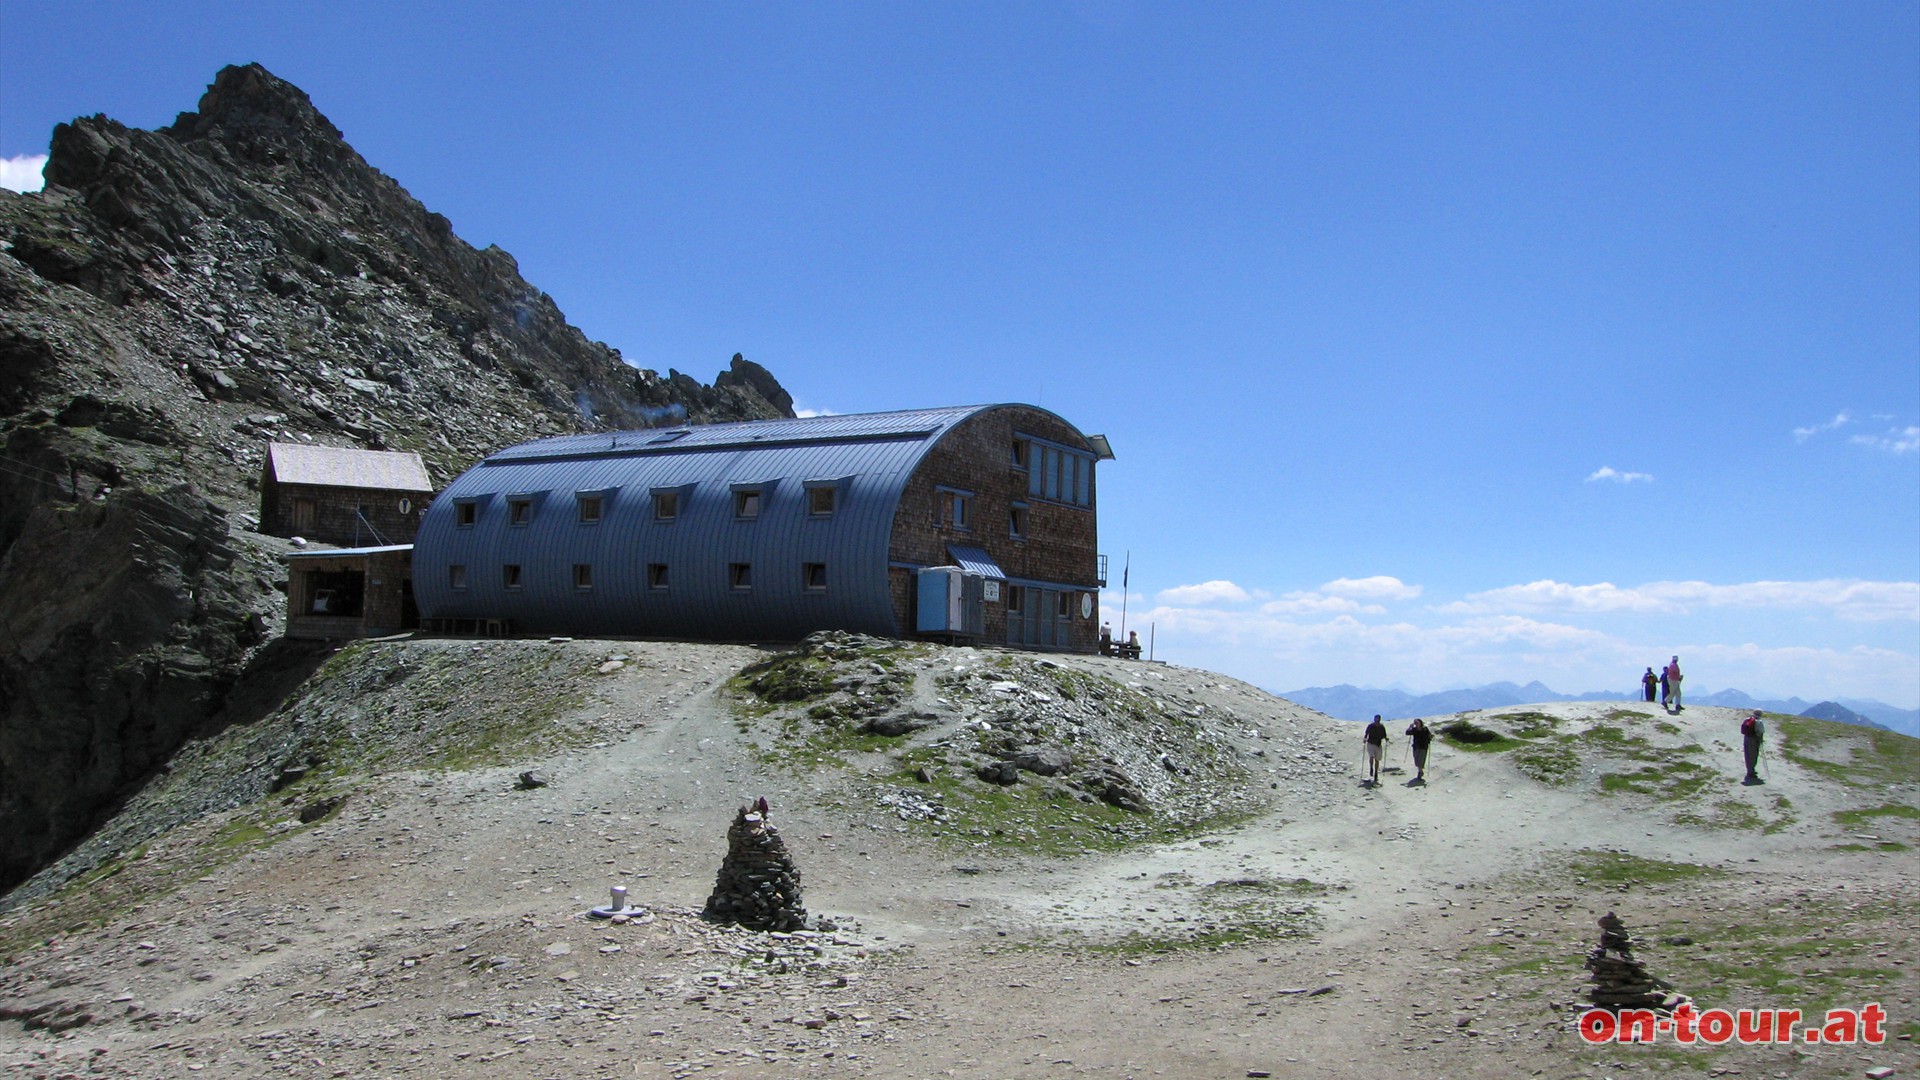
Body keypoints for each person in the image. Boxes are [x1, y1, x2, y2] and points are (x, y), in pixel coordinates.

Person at [1740, 711, 1765, 783]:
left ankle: (1749, 770)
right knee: (1753, 755)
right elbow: (1761, 732)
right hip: (1754, 739)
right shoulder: (1759, 722)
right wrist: (1761, 741)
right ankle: (1751, 771)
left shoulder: (1747, 719)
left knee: (1747, 754)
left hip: (1746, 738)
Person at [1363, 714, 1389, 784]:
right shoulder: (1370, 726)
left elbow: (1384, 735)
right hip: (1370, 743)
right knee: (1371, 756)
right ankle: (1371, 768)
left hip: (1378, 744)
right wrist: (1365, 738)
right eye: (1376, 718)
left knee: (1377, 759)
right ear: (1374, 719)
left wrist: (1386, 738)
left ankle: (1376, 772)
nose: (1377, 720)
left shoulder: (1382, 727)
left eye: (1378, 718)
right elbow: (1366, 733)